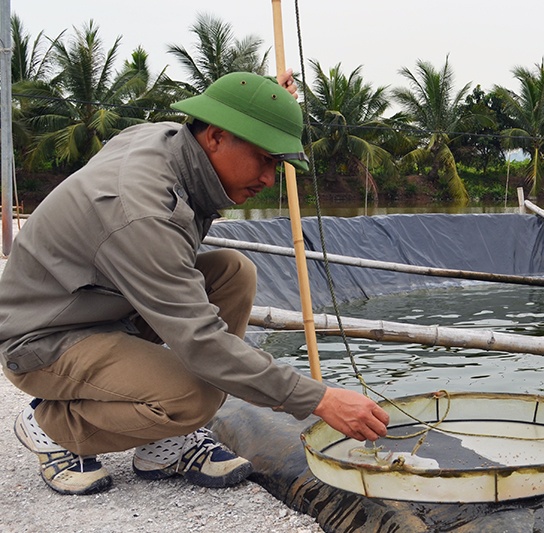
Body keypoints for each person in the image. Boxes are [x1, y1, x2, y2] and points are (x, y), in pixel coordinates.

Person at [0, 70, 390, 496]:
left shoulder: (168, 138)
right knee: (195, 397)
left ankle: (162, 445)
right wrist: (319, 399)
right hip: (46, 337)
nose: (268, 179)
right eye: (266, 159)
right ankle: (51, 426)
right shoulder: (143, 210)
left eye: (277, 165)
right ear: (217, 137)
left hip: (105, 304)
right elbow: (201, 342)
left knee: (233, 272)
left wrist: (258, 101)